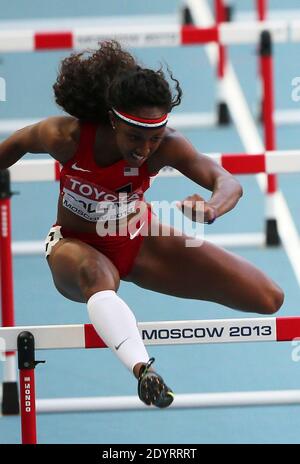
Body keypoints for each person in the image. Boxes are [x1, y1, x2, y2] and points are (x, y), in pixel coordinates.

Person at [0, 40, 284, 408]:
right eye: (135, 137)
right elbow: (15, 145)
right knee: (97, 273)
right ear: (113, 119)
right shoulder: (65, 137)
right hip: (73, 247)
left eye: (153, 138)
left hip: (139, 240)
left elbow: (229, 182)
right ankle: (142, 369)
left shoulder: (168, 145)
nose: (144, 149)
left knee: (268, 297)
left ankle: (139, 359)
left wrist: (212, 208)